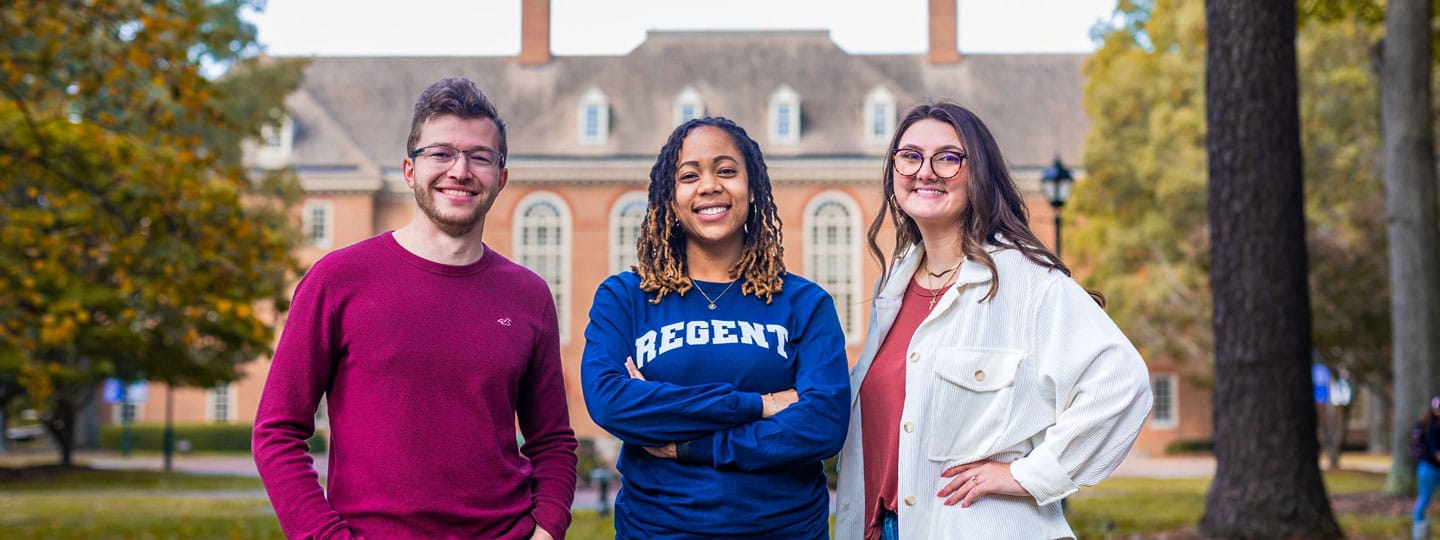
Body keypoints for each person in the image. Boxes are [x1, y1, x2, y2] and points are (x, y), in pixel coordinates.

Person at [253, 77, 578, 540]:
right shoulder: (337, 281)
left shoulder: (527, 296)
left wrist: (548, 527)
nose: (460, 170)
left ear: (500, 178)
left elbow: (553, 441)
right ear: (410, 170)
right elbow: (276, 432)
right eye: (441, 153)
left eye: (479, 156)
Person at [834, 102, 1152, 540]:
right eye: (909, 156)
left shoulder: (1024, 280)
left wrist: (1027, 475)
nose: (925, 171)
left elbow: (1120, 382)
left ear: (979, 173)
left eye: (947, 158)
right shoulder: (895, 286)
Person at [580, 117, 850, 538]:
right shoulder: (626, 297)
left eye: (726, 171)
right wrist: (760, 405)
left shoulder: (804, 302)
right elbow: (612, 402)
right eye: (690, 175)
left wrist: (692, 444)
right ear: (670, 197)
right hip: (657, 531)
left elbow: (822, 424)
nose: (709, 185)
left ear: (753, 187)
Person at [1414, 397, 1440, 540]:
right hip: (1428, 468)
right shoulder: (1432, 427)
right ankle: (1418, 531)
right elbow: (1435, 452)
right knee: (1424, 497)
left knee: (1424, 497)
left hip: (1430, 468)